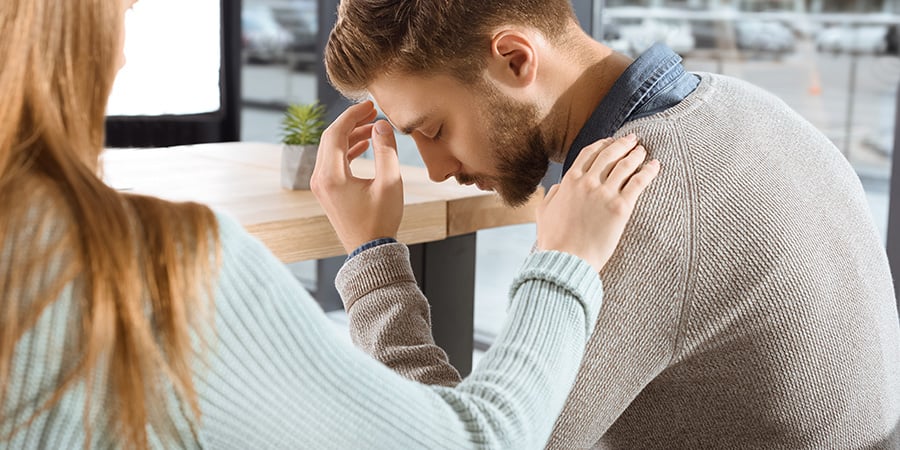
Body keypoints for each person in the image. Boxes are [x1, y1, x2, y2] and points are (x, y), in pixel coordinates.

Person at [0, 0, 661, 448]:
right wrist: (563, 265)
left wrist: (374, 253)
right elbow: (473, 438)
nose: (120, 56)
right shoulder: (152, 268)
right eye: (122, 12)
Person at [320, 0, 900, 448]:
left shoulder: (640, 196)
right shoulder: (748, 106)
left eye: (434, 128)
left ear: (517, 59)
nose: (439, 169)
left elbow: (471, 440)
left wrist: (371, 256)